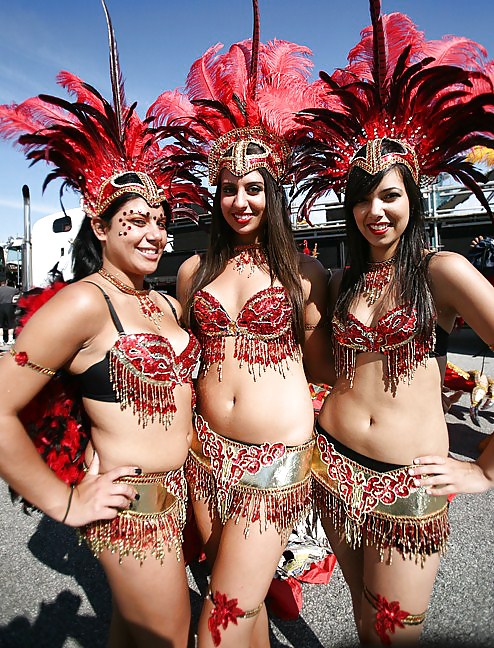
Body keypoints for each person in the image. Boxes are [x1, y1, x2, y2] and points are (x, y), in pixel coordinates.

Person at [0, 5, 203, 646]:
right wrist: (65, 505)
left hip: (187, 496)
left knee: (133, 633)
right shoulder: (84, 304)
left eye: (160, 220)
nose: (153, 233)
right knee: (167, 635)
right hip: (132, 511)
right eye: (135, 219)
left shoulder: (164, 303)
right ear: (100, 225)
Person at [294, 4, 494, 645]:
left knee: (393, 635)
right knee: (361, 619)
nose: (374, 211)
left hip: (409, 484)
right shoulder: (344, 278)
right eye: (362, 197)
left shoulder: (444, 271)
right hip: (332, 466)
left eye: (390, 195)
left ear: (414, 197)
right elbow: (324, 367)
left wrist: (485, 470)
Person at [150, 7, 331, 645]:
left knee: (218, 625)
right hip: (205, 457)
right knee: (242, 611)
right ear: (216, 195)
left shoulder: (304, 272)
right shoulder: (194, 268)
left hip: (272, 464)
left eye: (253, 186)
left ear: (271, 192)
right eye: (228, 187)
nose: (241, 200)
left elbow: (324, 364)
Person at [0, 279, 19, 346]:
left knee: (0, 325)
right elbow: (17, 291)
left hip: (0, 306)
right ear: (6, 282)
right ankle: (10, 340)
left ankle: (1, 341)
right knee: (10, 324)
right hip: (9, 306)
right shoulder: (12, 289)